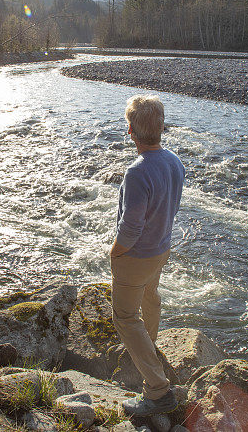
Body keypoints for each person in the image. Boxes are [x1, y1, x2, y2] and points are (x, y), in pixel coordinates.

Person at [109, 95, 185, 417]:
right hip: (161, 249)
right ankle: (149, 346)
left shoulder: (137, 172)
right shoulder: (174, 161)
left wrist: (115, 252)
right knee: (150, 298)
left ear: (130, 131)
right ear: (162, 127)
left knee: (125, 317)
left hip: (137, 255)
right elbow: (170, 207)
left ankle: (157, 391)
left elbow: (130, 228)